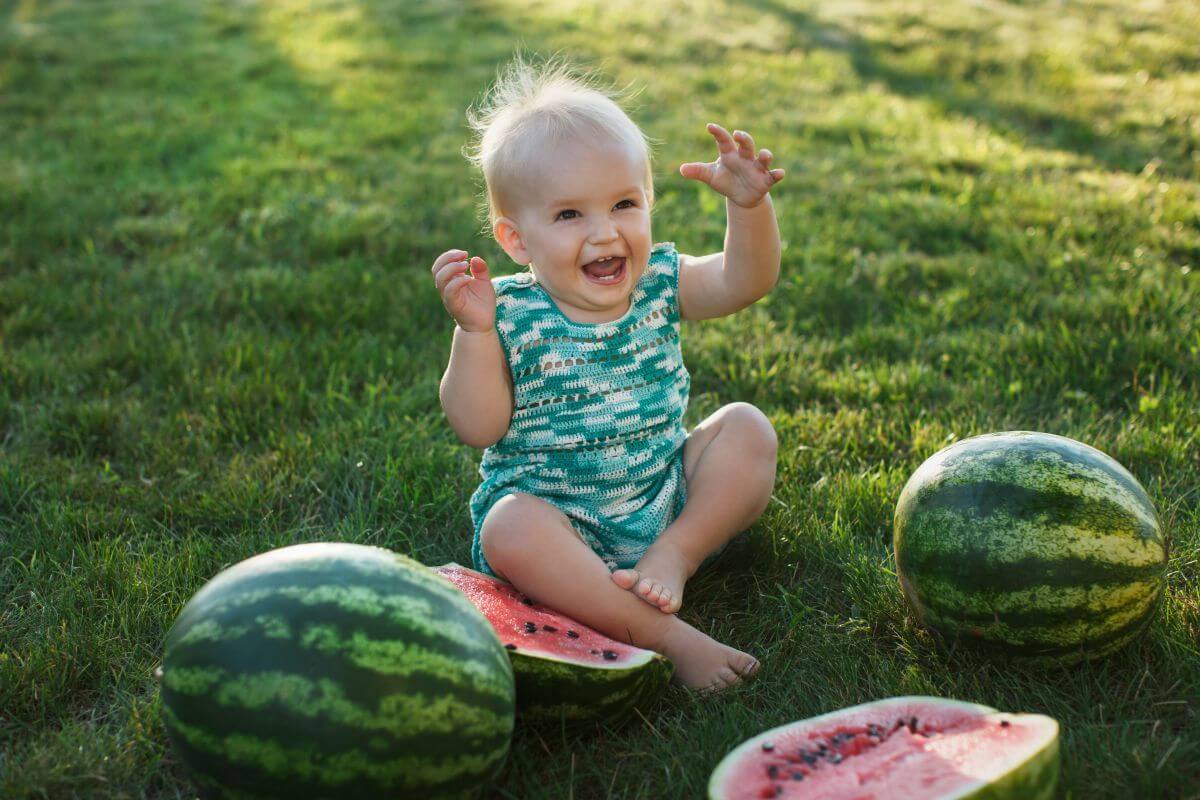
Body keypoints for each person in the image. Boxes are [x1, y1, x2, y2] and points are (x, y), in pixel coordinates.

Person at [433, 56, 782, 691]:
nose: (604, 233)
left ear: (648, 203)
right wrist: (473, 332)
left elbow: (744, 281)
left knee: (747, 429)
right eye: (569, 215)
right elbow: (477, 426)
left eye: (623, 204)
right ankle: (669, 639)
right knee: (510, 525)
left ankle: (676, 553)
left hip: (662, 498)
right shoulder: (510, 313)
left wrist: (749, 210)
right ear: (517, 240)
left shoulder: (659, 284)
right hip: (556, 527)